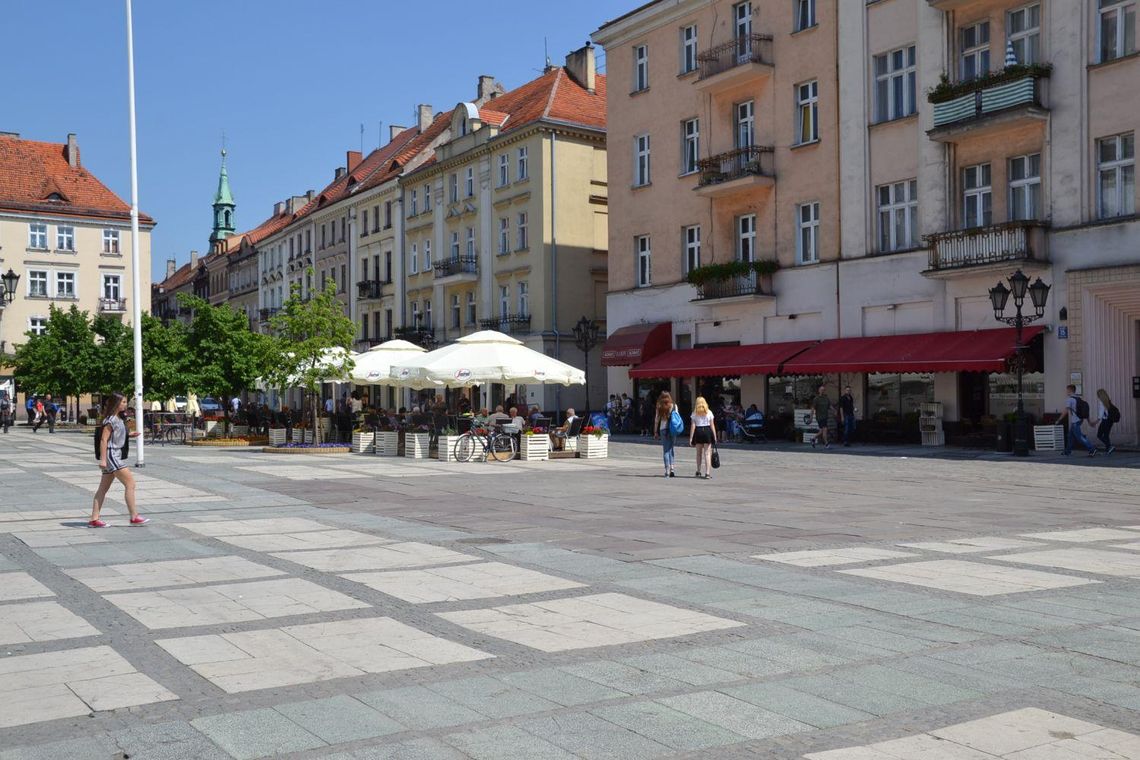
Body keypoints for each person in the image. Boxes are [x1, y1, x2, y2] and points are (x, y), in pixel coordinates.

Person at [90, 392, 147, 528]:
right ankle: (134, 516)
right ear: (116, 403)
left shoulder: (118, 419)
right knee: (130, 484)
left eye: (125, 402)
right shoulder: (110, 420)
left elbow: (116, 435)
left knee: (103, 488)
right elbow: (104, 440)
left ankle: (94, 519)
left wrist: (129, 434)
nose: (125, 404)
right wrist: (103, 460)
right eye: (123, 402)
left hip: (114, 454)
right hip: (112, 455)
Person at [1062, 384, 1097, 457]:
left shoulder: (1070, 399)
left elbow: (1066, 411)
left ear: (1069, 390)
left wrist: (1059, 419)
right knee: (1070, 436)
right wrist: (1089, 421)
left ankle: (1092, 449)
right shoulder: (1079, 398)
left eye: (1067, 390)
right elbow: (1085, 411)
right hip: (1080, 419)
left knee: (1079, 437)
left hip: (1075, 421)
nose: (1066, 392)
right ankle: (1067, 451)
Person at [689, 396, 717, 479]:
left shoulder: (694, 413)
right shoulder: (709, 412)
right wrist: (715, 436)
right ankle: (707, 473)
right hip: (707, 431)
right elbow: (712, 425)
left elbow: (693, 426)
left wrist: (691, 437)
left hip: (698, 431)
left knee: (698, 453)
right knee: (707, 453)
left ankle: (698, 471)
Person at [653, 391, 677, 478]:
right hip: (672, 429)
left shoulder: (659, 407)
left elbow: (656, 420)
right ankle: (672, 469)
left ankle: (667, 470)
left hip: (663, 429)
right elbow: (676, 417)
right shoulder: (674, 406)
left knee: (665, 450)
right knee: (671, 448)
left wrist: (655, 431)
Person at [1094, 388, 1118, 455]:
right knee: (1106, 435)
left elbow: (1101, 414)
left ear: (1100, 395)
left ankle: (1109, 447)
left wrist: (1096, 421)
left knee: (1099, 435)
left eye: (1098, 395)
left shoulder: (1102, 402)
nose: (1097, 396)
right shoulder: (1108, 401)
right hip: (1110, 421)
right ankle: (1108, 449)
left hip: (1105, 421)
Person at [811, 385, 832, 449]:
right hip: (819, 417)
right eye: (821, 390)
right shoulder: (816, 399)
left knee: (821, 431)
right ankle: (826, 444)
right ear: (819, 390)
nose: (822, 391)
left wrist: (834, 410)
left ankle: (813, 438)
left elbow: (829, 405)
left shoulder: (826, 398)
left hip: (825, 416)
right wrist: (811, 417)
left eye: (823, 390)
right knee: (825, 430)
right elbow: (813, 408)